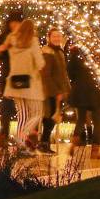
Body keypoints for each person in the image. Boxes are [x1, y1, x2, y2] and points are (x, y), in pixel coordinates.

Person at [0, 18, 47, 156]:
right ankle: (21, 138)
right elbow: (40, 63)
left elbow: (0, 50)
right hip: (30, 83)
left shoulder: (11, 40)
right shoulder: (33, 41)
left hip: (14, 83)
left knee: (22, 115)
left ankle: (21, 145)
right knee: (37, 113)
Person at [67, 44, 100, 157]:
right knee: (98, 122)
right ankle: (95, 151)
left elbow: (70, 74)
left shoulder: (73, 58)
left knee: (81, 119)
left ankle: (73, 143)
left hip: (80, 93)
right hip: (95, 92)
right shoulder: (95, 55)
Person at [0, 12, 24, 147]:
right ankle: (3, 135)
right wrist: (0, 50)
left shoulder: (25, 38)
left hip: (22, 77)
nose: (15, 25)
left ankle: (22, 137)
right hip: (8, 77)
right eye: (13, 22)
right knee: (6, 107)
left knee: (22, 109)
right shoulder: (5, 38)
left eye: (17, 23)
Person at [38, 27, 71, 155]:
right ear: (49, 38)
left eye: (59, 36)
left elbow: (63, 74)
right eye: (54, 36)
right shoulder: (48, 52)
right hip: (50, 92)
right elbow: (46, 75)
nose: (57, 38)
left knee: (52, 118)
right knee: (49, 118)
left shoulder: (60, 52)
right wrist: (56, 92)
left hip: (59, 92)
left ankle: (44, 143)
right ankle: (43, 143)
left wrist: (66, 90)